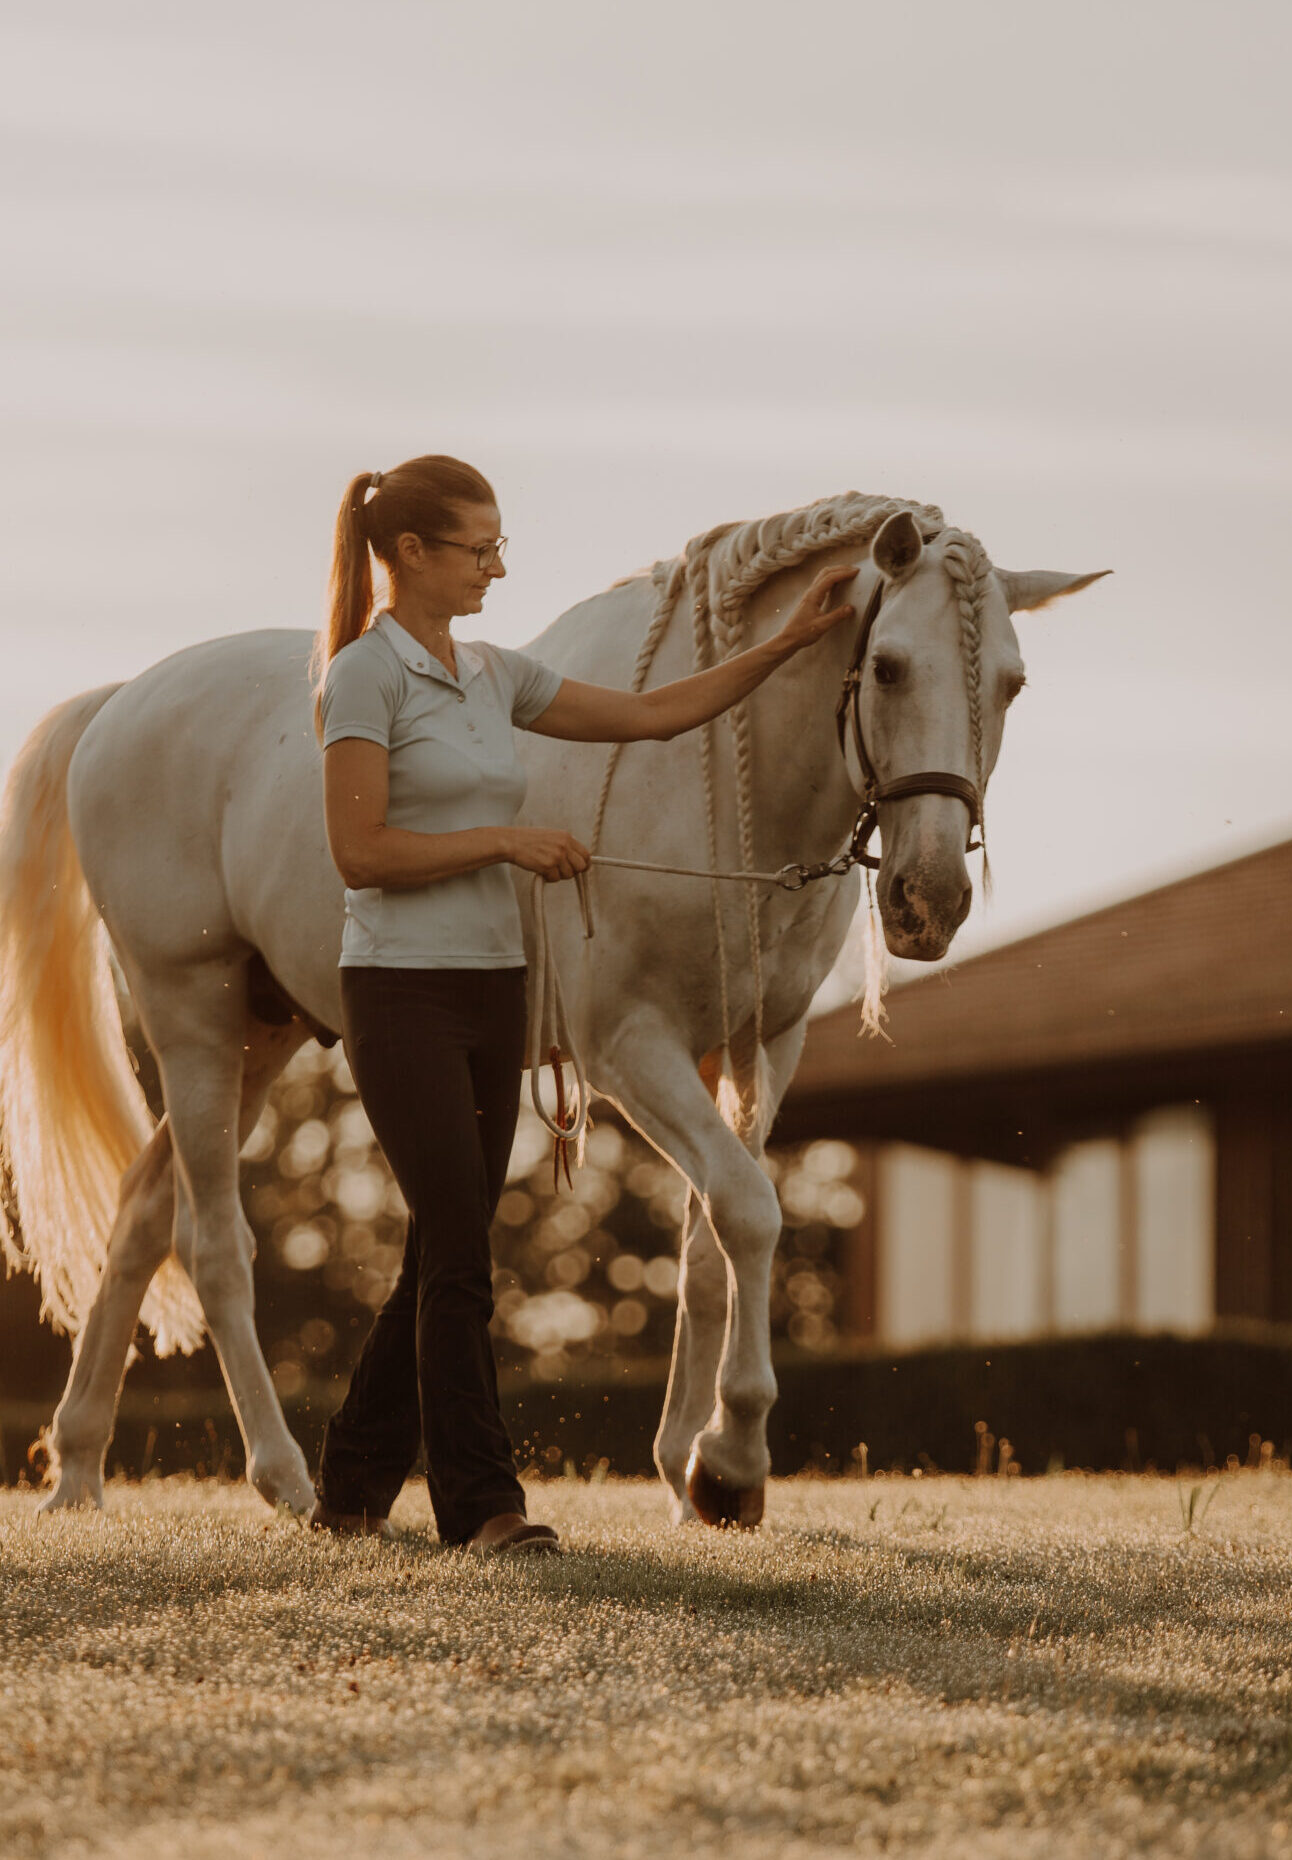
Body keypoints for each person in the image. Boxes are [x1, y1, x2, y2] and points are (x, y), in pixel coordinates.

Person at [308, 454, 857, 1554]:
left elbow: (655, 715)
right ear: (410, 553)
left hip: (494, 990)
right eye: (479, 548)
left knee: (441, 1251)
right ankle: (483, 1509)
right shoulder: (363, 678)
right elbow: (359, 852)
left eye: (500, 546)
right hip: (401, 992)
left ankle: (350, 1489)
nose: (497, 568)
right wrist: (508, 838)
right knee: (462, 1253)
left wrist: (790, 642)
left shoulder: (493, 674)